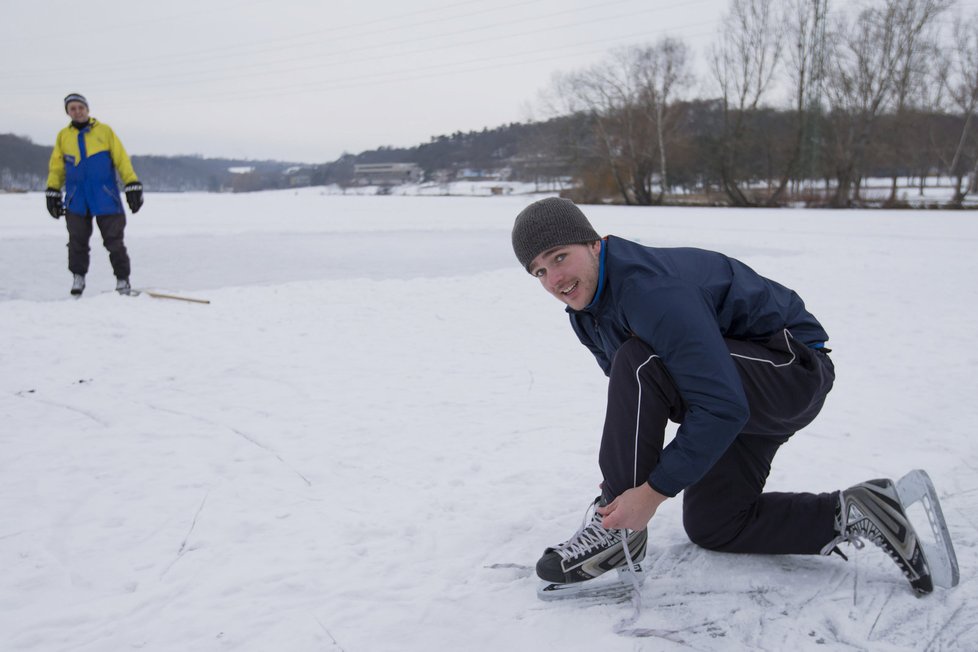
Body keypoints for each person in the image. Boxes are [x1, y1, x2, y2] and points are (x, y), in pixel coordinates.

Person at [512, 197, 938, 596]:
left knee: (639, 360)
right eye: (539, 272)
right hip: (737, 385)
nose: (554, 280)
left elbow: (714, 401)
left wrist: (649, 493)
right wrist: (646, 482)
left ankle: (615, 530)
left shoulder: (648, 290)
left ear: (594, 243)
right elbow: (644, 403)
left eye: (560, 257)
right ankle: (857, 510)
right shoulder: (586, 314)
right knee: (715, 523)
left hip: (789, 370)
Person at [46, 93, 143, 296]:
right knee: (76, 241)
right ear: (68, 112)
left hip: (105, 196)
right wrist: (52, 190)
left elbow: (122, 160)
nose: (77, 111)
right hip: (76, 198)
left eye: (80, 107)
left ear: (87, 109)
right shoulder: (64, 136)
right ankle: (78, 278)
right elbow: (57, 167)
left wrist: (132, 183)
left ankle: (122, 279)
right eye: (72, 108)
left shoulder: (105, 132)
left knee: (114, 241)